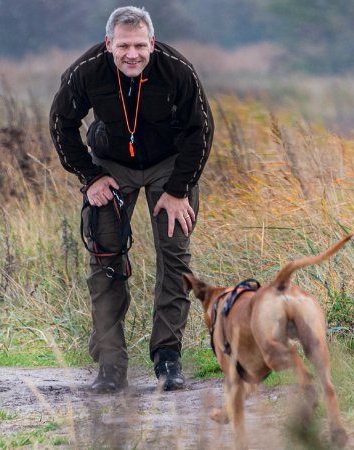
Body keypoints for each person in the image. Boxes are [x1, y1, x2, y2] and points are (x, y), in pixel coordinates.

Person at [49, 6, 213, 392]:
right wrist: (90, 177)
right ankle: (110, 363)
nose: (132, 54)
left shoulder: (177, 69)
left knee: (174, 256)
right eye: (123, 45)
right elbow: (61, 124)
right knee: (106, 256)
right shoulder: (86, 71)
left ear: (151, 43)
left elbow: (200, 130)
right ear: (109, 44)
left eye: (140, 45)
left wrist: (177, 191)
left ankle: (168, 357)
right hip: (111, 164)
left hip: (169, 164)